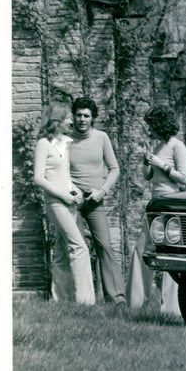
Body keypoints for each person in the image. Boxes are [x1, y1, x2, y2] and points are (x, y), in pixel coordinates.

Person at [127, 105, 186, 316]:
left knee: (171, 252)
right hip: (155, 204)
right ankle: (135, 302)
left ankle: (173, 308)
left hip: (171, 203)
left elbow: (183, 178)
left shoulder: (177, 146)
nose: (148, 129)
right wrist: (146, 162)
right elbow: (147, 176)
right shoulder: (157, 146)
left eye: (151, 125)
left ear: (160, 125)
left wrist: (162, 165)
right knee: (141, 249)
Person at [33, 101, 96, 305]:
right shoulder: (44, 143)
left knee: (61, 252)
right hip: (56, 203)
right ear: (58, 120)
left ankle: (61, 299)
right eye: (69, 117)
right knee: (80, 247)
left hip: (69, 202)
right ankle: (85, 301)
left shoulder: (65, 143)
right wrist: (64, 195)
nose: (72, 120)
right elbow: (39, 178)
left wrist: (75, 192)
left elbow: (65, 175)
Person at [68, 97, 126, 305]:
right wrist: (71, 190)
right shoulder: (65, 140)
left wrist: (102, 191)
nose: (82, 119)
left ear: (93, 118)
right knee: (74, 248)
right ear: (73, 116)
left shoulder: (102, 138)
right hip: (71, 201)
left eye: (86, 116)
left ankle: (117, 299)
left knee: (105, 246)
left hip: (95, 201)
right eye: (79, 115)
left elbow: (114, 169)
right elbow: (57, 170)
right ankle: (76, 299)